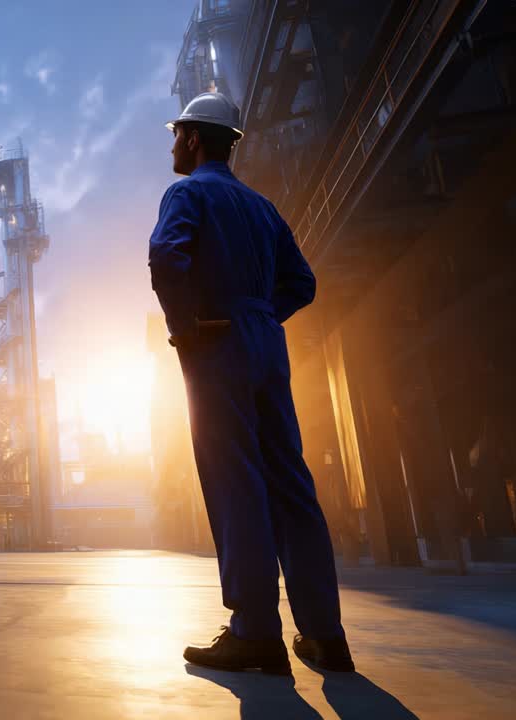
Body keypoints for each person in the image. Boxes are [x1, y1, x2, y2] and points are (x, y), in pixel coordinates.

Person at [148, 92, 354, 674]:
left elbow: (166, 256)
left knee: (234, 481)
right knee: (291, 482)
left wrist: (188, 327)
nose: (172, 145)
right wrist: (261, 315)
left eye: (176, 135)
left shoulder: (186, 193)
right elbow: (303, 283)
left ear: (192, 138)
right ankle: (324, 635)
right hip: (267, 340)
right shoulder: (264, 208)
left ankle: (255, 632)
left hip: (217, 343)